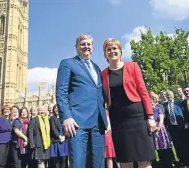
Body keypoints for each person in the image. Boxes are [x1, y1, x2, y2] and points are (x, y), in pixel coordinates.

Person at [101, 38, 155, 168]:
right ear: (105, 54)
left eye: (115, 48)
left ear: (120, 51)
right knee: (125, 160)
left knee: (144, 159)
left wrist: (150, 117)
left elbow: (143, 92)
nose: (112, 51)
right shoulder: (102, 74)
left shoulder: (132, 66)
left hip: (138, 118)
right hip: (118, 121)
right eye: (108, 49)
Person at [56, 34, 107, 168]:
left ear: (92, 47)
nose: (86, 47)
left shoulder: (96, 68)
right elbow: (61, 93)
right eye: (82, 44)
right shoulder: (68, 63)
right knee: (78, 163)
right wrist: (66, 117)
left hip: (98, 123)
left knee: (98, 164)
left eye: (89, 44)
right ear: (76, 47)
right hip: (77, 122)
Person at [150, 94, 173, 168]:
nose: (151, 103)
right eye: (150, 102)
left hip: (160, 131)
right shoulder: (148, 112)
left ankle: (167, 162)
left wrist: (157, 129)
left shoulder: (158, 109)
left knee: (163, 146)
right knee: (155, 147)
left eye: (152, 102)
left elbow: (161, 120)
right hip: (152, 131)